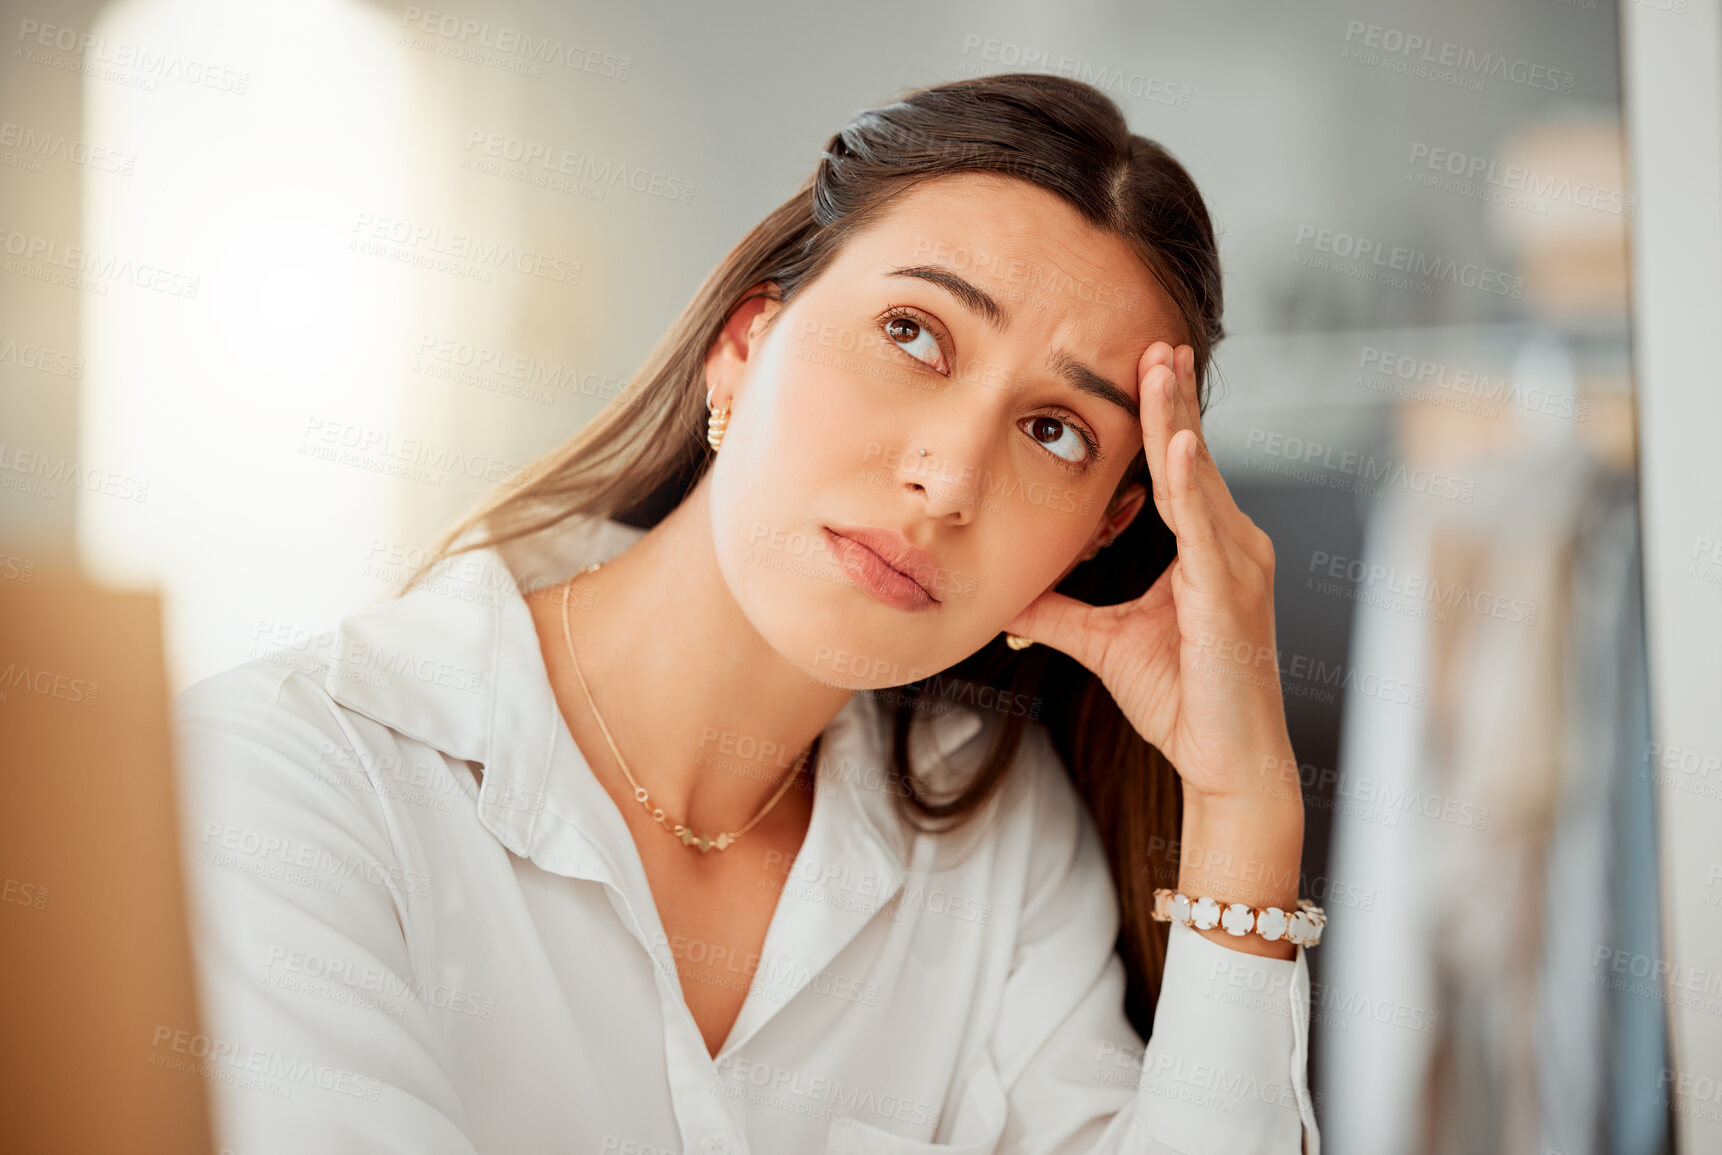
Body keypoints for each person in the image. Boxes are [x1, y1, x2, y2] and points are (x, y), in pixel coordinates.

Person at [173, 72, 1322, 1154]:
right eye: (914, 335)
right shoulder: (287, 777)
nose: (950, 477)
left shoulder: (996, 838)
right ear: (743, 344)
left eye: (1053, 431)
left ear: (1103, 530)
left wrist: (1244, 804)